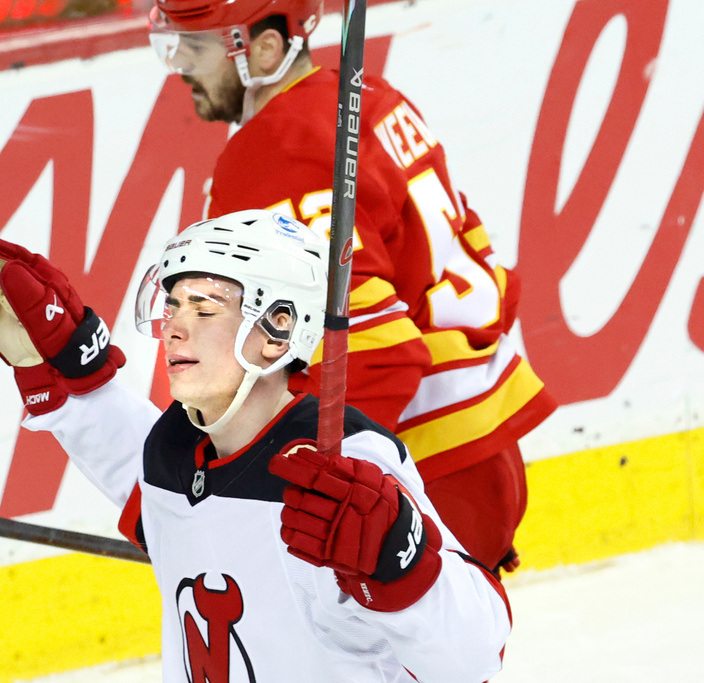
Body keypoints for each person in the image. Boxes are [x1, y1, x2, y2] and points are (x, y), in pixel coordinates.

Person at [0, 210, 510, 682]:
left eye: (204, 309)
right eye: (174, 306)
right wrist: (69, 372)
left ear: (276, 329)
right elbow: (181, 510)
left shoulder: (347, 466)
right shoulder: (176, 450)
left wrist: (403, 568)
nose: (176, 328)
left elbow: (476, 657)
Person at [147, 0, 558, 574]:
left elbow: (375, 356)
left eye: (197, 47)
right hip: (477, 451)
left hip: (408, 484)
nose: (181, 66)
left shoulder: (276, 151)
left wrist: (277, 483)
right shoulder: (366, 98)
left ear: (262, 50)